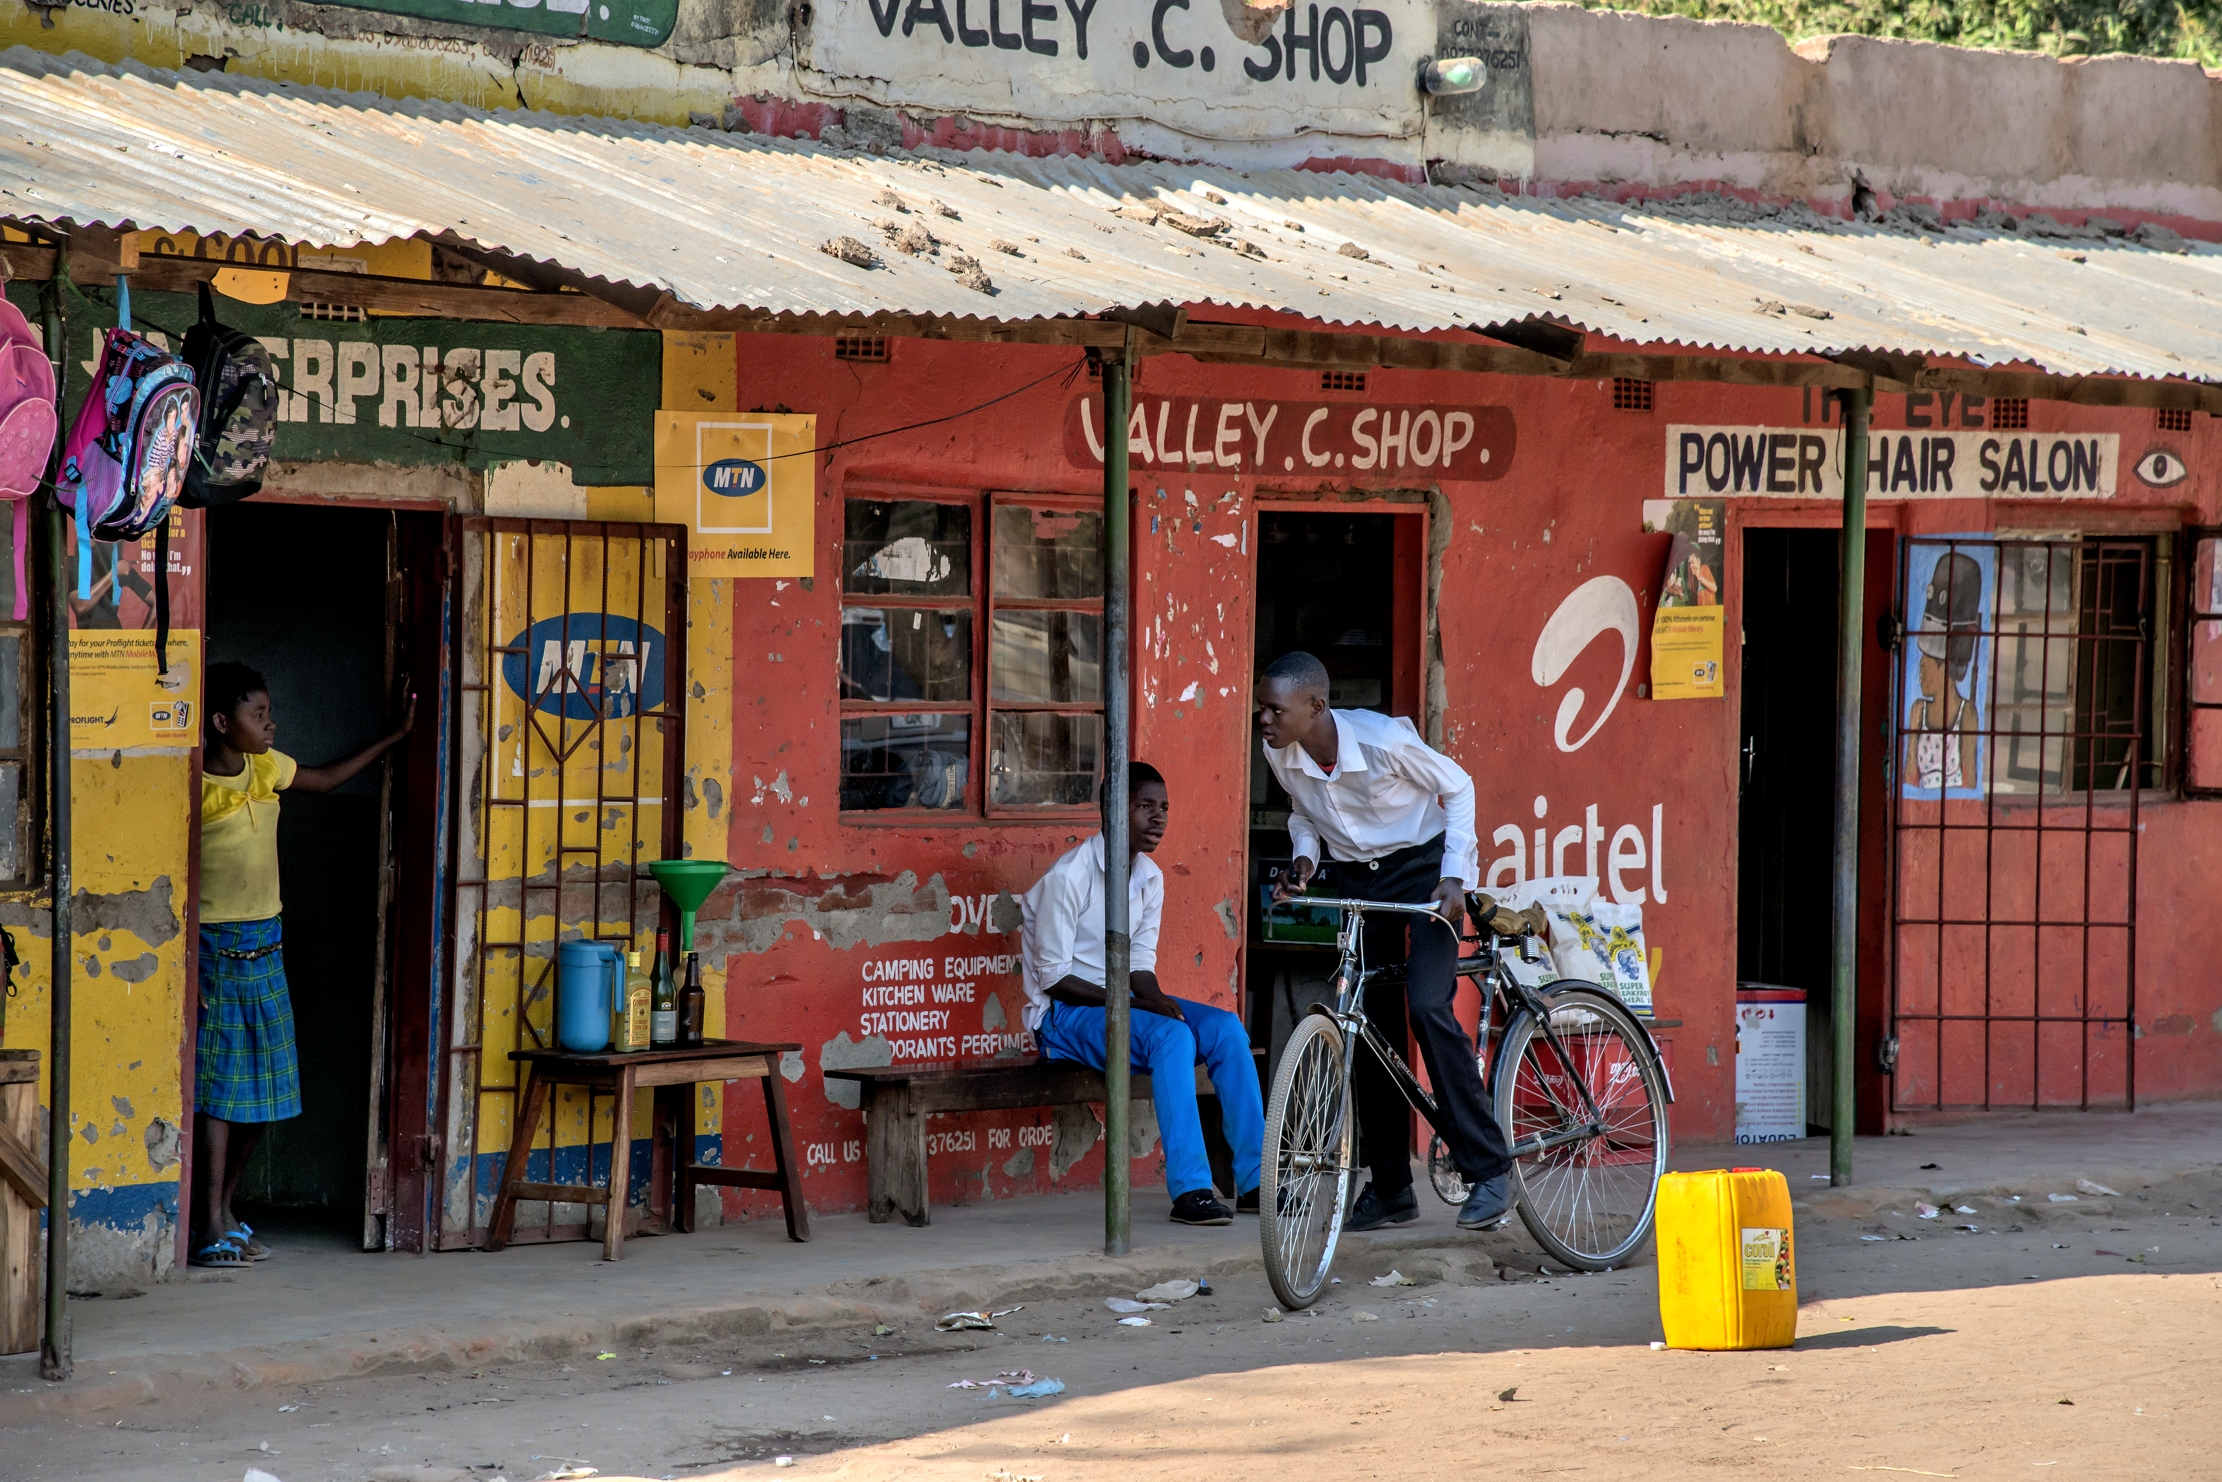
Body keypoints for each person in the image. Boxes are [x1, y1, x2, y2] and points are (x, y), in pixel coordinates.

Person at [1259, 651, 1538, 1233]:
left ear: (1316, 706)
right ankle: (1390, 1189)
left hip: (1424, 872)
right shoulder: (1279, 751)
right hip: (1358, 880)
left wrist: (1455, 875)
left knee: (1428, 1005)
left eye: (1274, 710)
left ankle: (1491, 1170)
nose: (1263, 719)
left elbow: (1458, 787)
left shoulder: (1382, 741)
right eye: (1261, 708)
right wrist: (1304, 861)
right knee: (1368, 1026)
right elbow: (1303, 814)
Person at [189, 661, 413, 1268]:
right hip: (214, 950)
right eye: (258, 715)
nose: (270, 724)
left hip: (267, 943)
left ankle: (225, 1208)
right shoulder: (192, 785)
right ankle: (208, 1225)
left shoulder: (266, 767)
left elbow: (326, 779)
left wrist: (393, 737)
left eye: (269, 713)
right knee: (220, 1093)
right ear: (221, 723)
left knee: (267, 1090)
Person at [1019, 762, 1264, 1226]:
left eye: (1164, 808)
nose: (1158, 818)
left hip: (1119, 1005)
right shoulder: (1069, 877)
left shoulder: (1149, 877)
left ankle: (1256, 1183)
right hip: (1063, 1016)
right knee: (1172, 1037)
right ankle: (1191, 1191)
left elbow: (1139, 966)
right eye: (1145, 806)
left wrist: (1152, 1000)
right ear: (1114, 809)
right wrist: (1135, 1006)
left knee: (1226, 1029)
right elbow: (1053, 978)